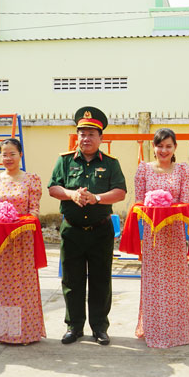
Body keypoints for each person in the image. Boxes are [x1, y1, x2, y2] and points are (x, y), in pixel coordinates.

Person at [49, 107, 127, 345]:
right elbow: (53, 188)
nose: (86, 138)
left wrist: (97, 198)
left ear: (101, 138)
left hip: (100, 230)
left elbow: (120, 192)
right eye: (82, 133)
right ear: (77, 136)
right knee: (72, 281)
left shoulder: (111, 164)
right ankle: (74, 326)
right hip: (72, 230)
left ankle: (100, 327)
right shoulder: (64, 161)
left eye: (91, 133)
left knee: (101, 280)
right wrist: (72, 194)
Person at [133, 128, 189, 348]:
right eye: (160, 146)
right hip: (152, 235)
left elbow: (184, 202)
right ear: (154, 147)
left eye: (169, 146)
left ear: (175, 147)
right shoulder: (143, 170)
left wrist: (166, 209)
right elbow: (139, 203)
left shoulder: (183, 170)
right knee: (154, 283)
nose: (164, 150)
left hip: (175, 233)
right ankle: (154, 329)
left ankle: (177, 332)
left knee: (175, 283)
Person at [0, 138, 46, 344]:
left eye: (12, 154)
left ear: (20, 155)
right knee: (4, 286)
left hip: (23, 240)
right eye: (4, 154)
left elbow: (34, 212)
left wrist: (18, 223)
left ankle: (27, 333)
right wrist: (1, 221)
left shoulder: (31, 180)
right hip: (2, 243)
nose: (8, 158)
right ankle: (5, 333)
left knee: (25, 285)